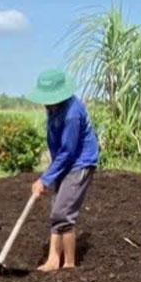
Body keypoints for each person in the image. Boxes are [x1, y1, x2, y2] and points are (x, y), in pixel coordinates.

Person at [26, 69, 100, 271]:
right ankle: (52, 260)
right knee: (56, 210)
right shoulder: (54, 109)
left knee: (63, 212)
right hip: (65, 161)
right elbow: (57, 147)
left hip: (80, 163)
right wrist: (52, 174)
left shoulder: (72, 114)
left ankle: (69, 265)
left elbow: (68, 150)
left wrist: (46, 179)